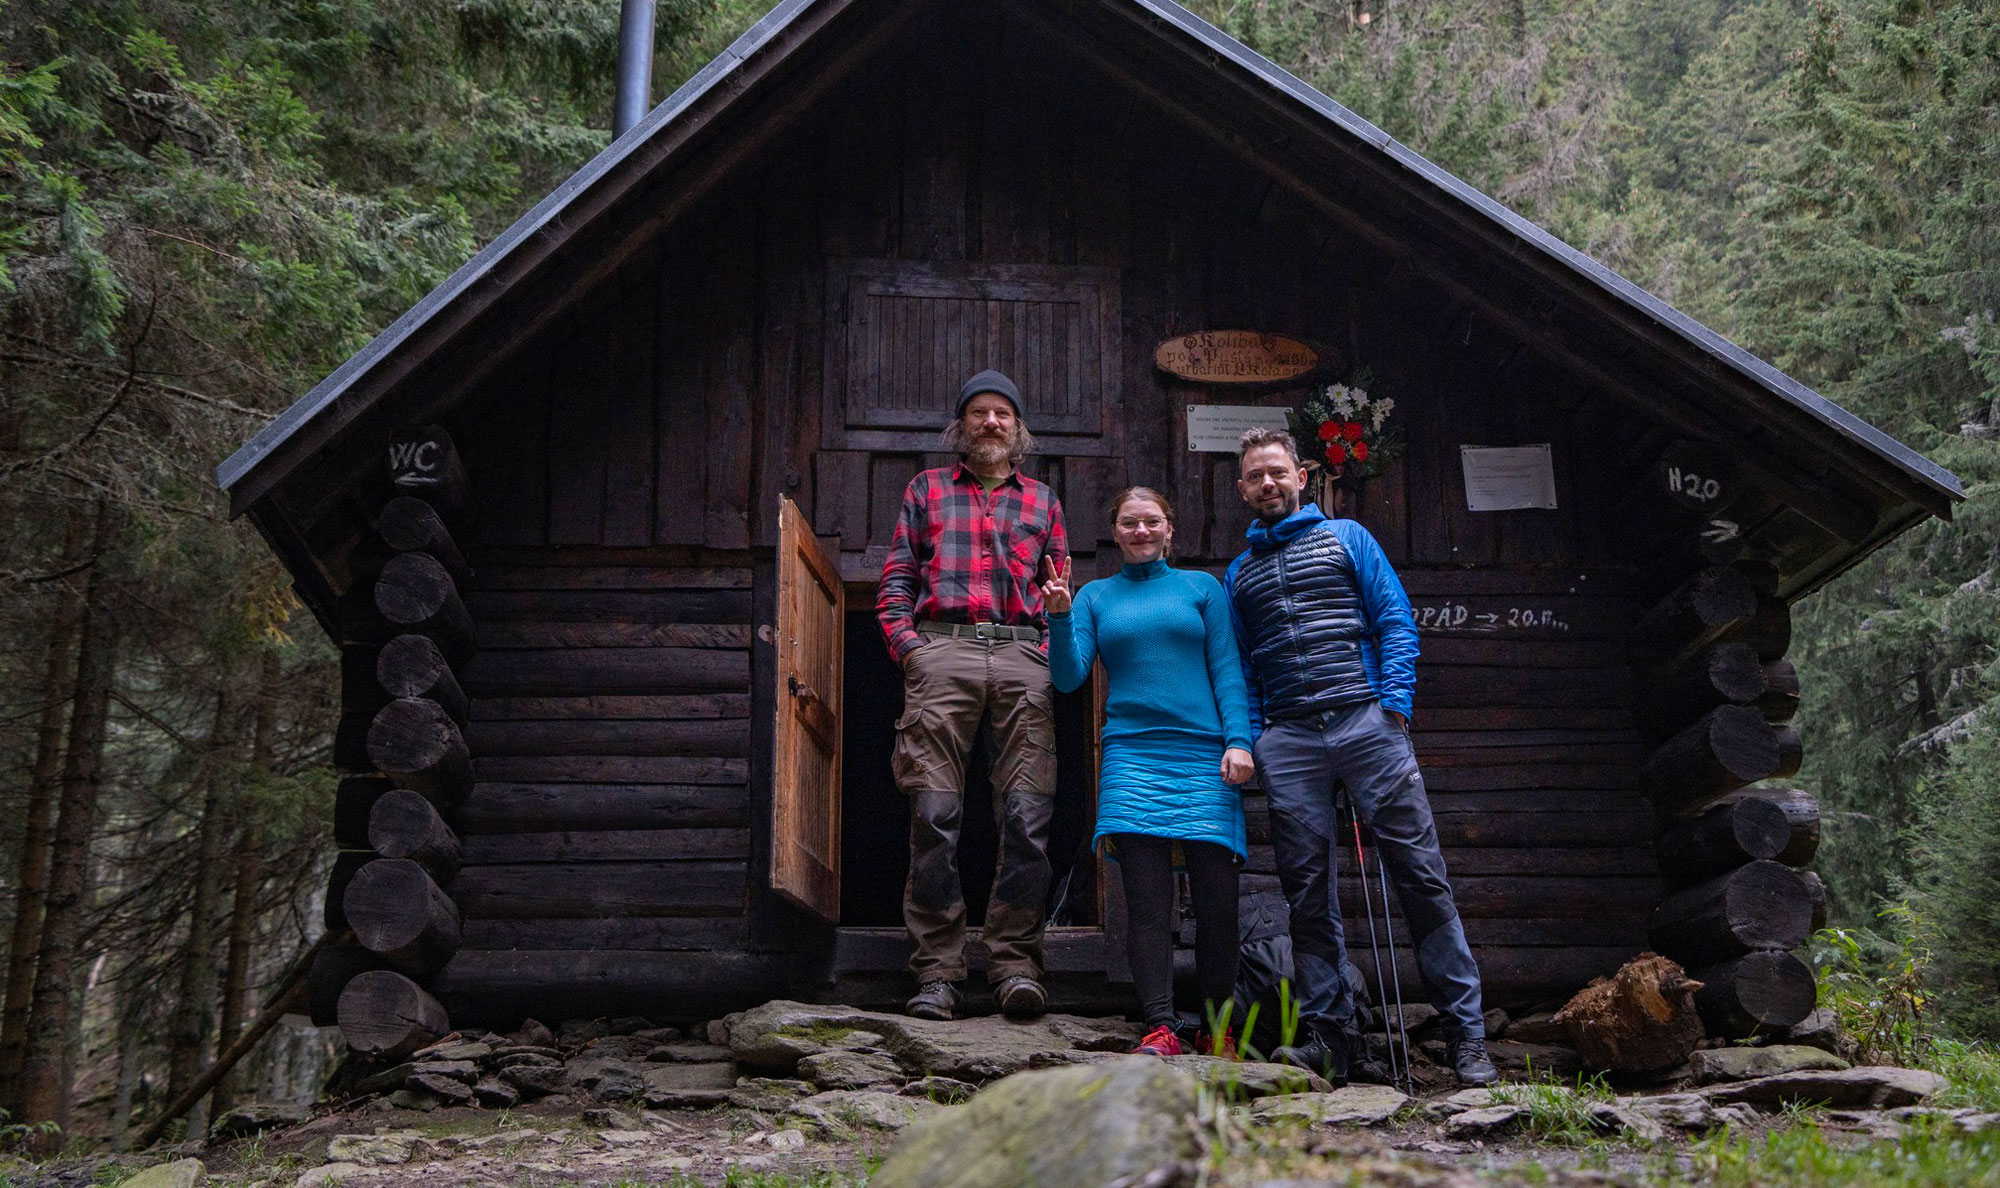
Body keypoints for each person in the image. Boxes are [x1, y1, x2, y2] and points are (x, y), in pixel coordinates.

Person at [1224, 426, 1499, 1087]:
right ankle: (1332, 1043)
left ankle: (1468, 1040)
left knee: (1423, 882)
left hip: (1366, 725)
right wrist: (1261, 733)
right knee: (1308, 898)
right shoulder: (1238, 574)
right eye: (1255, 476)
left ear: (1301, 474)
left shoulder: (1350, 539)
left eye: (1277, 472)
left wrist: (1393, 708)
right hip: (1289, 740)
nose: (1267, 483)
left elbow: (1395, 621)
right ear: (1242, 489)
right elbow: (1241, 665)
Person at [878, 369, 1070, 1022]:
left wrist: (1044, 650)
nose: (991, 423)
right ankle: (937, 972)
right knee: (933, 813)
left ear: (1018, 430)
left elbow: (1057, 587)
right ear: (961, 427)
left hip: (1022, 654)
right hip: (942, 649)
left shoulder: (1043, 501)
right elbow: (897, 577)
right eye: (980, 413)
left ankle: (1015, 965)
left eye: (1003, 415)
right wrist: (911, 647)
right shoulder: (925, 489)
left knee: (1027, 815)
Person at [1041, 488, 1255, 1057]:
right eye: (1129, 523)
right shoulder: (1093, 597)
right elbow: (1067, 678)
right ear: (1115, 531)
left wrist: (1239, 741)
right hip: (1133, 758)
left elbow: (1227, 671)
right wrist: (1059, 618)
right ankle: (1161, 1026)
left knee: (1217, 901)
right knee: (1146, 903)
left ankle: (1218, 1029)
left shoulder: (1202, 589)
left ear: (1169, 529)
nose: (1141, 531)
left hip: (1205, 755)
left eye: (1151, 521)